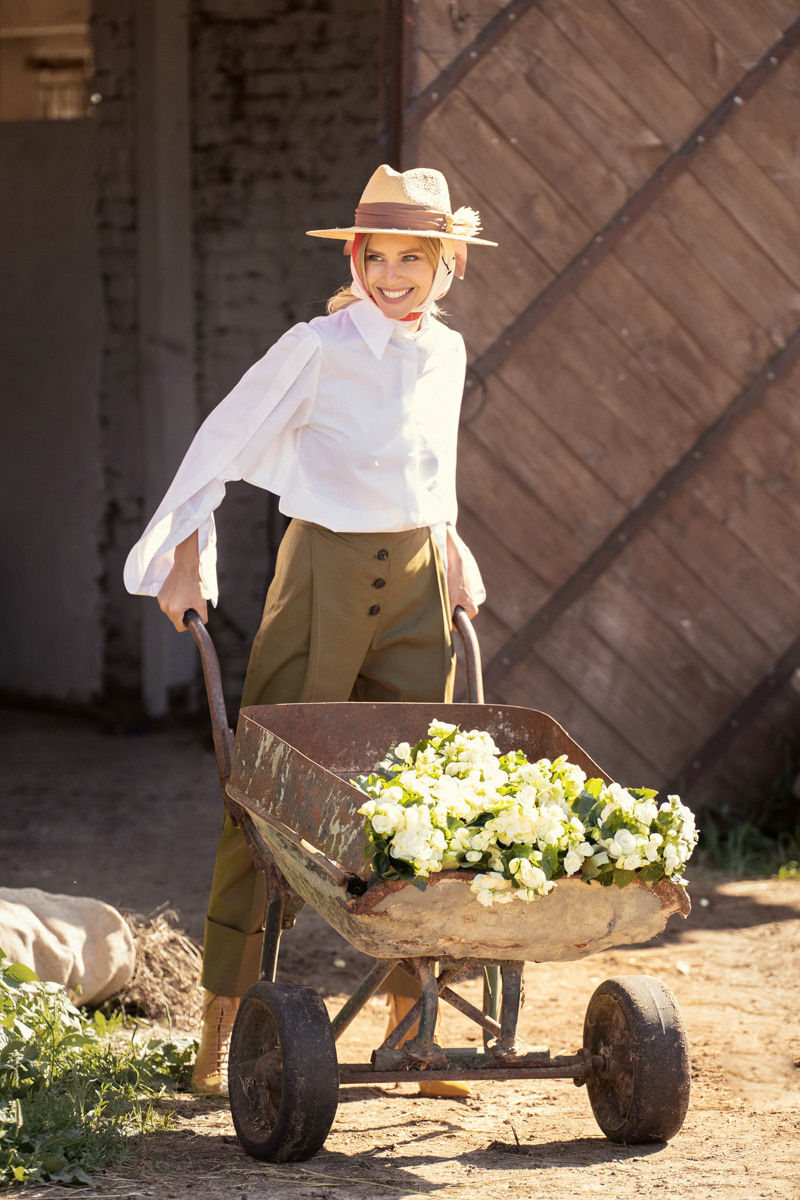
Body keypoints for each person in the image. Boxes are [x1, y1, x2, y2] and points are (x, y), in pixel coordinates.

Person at [124, 164, 496, 1097]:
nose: (397, 275)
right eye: (381, 256)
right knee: (265, 796)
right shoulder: (315, 347)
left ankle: (417, 1038)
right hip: (323, 574)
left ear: (448, 264)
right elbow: (217, 446)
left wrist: (452, 546)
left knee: (424, 799)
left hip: (415, 581)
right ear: (358, 256)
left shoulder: (445, 354)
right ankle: (222, 1034)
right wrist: (183, 561)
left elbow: (432, 463)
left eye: (417, 258)